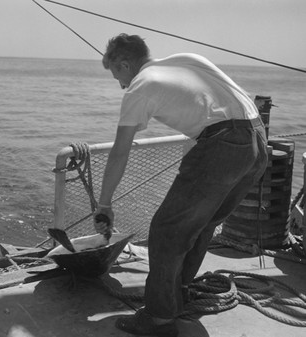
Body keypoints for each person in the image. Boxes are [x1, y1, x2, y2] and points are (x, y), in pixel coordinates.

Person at [93, 33, 268, 336]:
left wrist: (105, 204)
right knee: (200, 224)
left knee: (166, 230)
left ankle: (160, 319)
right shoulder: (188, 61)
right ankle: (179, 292)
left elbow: (120, 151)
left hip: (224, 145)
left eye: (116, 74)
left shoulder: (139, 87)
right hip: (257, 140)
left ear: (123, 65)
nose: (120, 83)